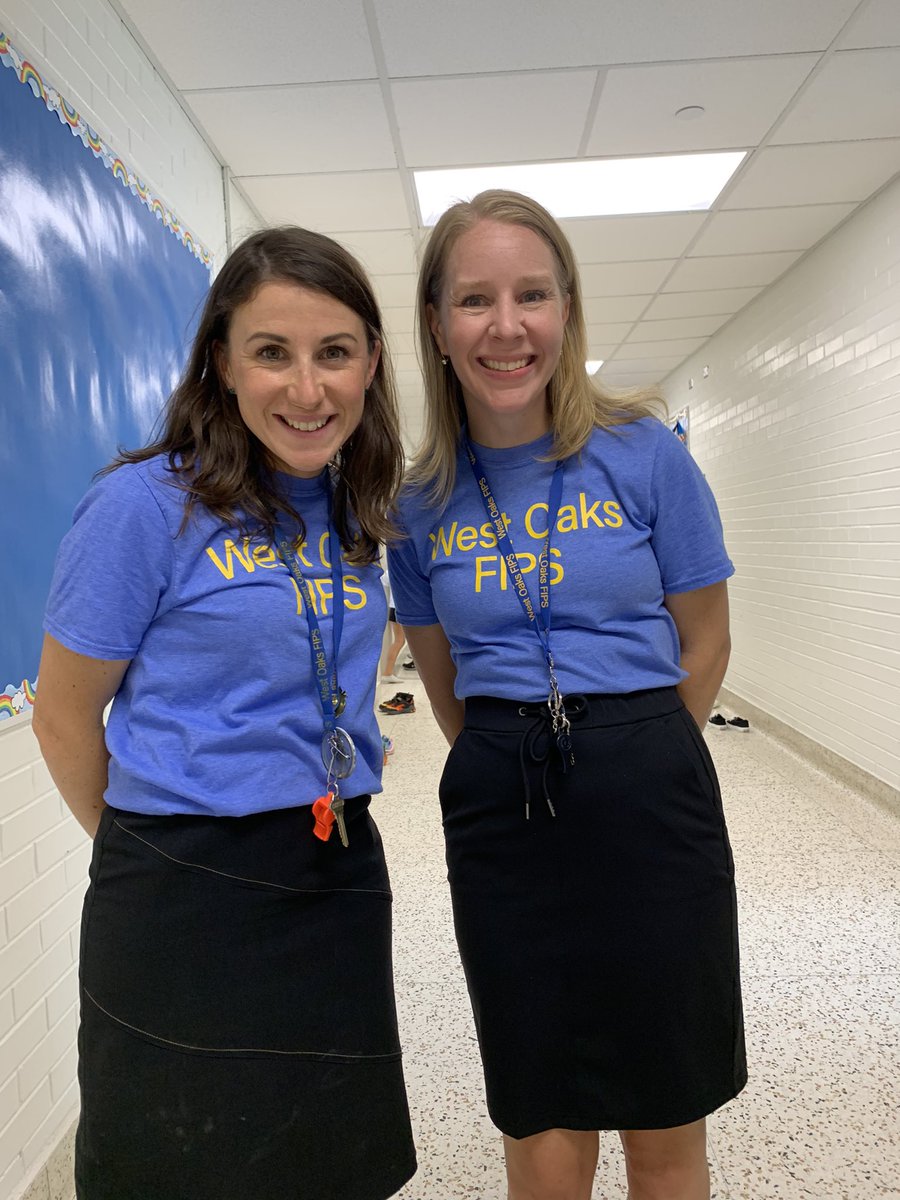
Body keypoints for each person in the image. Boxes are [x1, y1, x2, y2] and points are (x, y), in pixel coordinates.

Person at [32, 227, 417, 1200]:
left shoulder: (356, 507)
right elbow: (65, 717)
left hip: (332, 869)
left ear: (371, 362)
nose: (307, 388)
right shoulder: (141, 505)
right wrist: (163, 847)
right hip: (180, 890)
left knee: (328, 1160)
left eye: (334, 352)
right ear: (222, 363)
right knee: (180, 1165)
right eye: (271, 353)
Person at [388, 190, 746, 1200]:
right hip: (503, 800)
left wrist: (631, 749)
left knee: (664, 1089)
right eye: (475, 300)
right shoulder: (419, 505)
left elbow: (706, 638)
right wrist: (515, 755)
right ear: (436, 325)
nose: (507, 326)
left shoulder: (644, 454)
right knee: (538, 1089)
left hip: (649, 785)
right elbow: (444, 682)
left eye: (532, 295)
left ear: (567, 310)